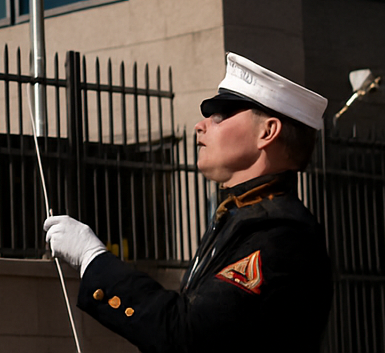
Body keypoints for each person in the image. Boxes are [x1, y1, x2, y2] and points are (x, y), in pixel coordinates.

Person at [43, 52, 332, 353]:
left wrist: (94, 258)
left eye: (221, 114)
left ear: (267, 132)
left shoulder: (280, 237)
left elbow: (188, 334)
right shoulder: (243, 217)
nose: (200, 125)